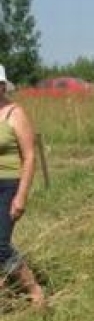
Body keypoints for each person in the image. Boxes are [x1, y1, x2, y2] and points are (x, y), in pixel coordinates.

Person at [0, 64, 45, 307]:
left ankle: (34, 291)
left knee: (0, 244)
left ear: (3, 86)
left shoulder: (14, 113)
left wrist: (21, 196)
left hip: (8, 186)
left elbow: (29, 156)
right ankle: (5, 286)